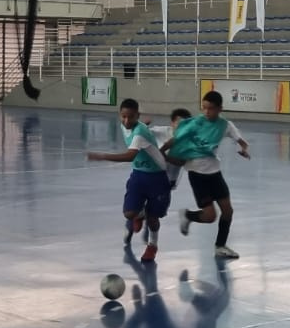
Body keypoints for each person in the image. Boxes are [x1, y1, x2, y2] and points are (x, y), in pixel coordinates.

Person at [85, 98, 172, 264]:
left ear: (137, 116)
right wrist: (144, 123)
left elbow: (130, 155)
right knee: (129, 213)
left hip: (157, 177)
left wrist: (102, 156)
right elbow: (135, 128)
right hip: (139, 174)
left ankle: (152, 245)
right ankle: (139, 214)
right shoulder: (126, 126)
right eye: (123, 116)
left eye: (131, 117)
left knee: (154, 218)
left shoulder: (140, 133)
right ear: (120, 115)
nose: (126, 121)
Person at [169, 91, 250, 260]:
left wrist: (243, 149)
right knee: (210, 216)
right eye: (204, 108)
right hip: (197, 175)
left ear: (220, 109)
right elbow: (177, 138)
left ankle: (220, 246)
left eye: (210, 109)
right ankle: (188, 215)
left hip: (215, 174)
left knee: (228, 211)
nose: (206, 112)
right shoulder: (195, 123)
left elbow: (241, 140)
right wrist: (163, 152)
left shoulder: (225, 125)